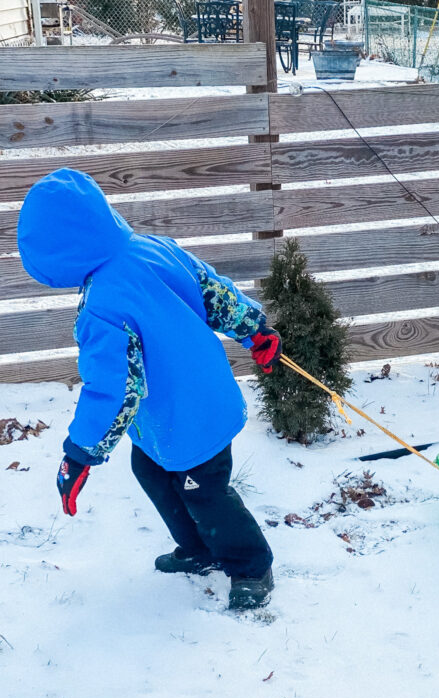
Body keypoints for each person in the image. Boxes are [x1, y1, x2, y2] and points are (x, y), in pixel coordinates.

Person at [17, 168, 282, 610]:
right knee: (153, 473)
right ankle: (199, 549)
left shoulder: (103, 305)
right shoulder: (153, 248)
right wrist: (253, 328)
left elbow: (115, 389)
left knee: (205, 491)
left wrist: (80, 453)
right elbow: (215, 291)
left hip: (194, 416)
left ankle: (251, 566)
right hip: (172, 415)